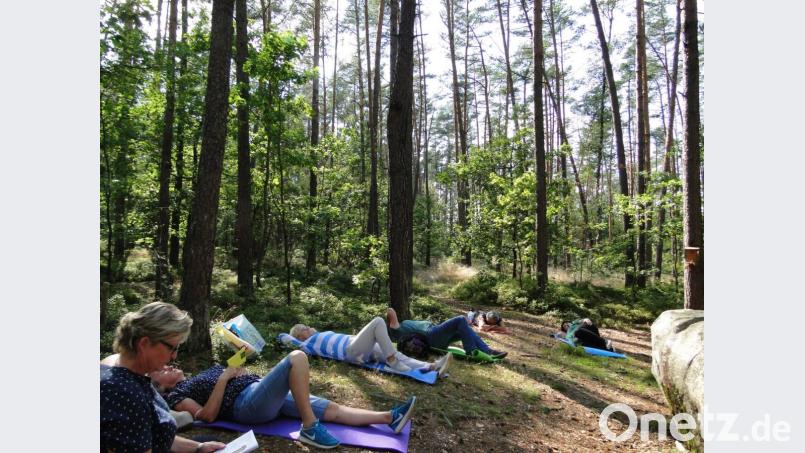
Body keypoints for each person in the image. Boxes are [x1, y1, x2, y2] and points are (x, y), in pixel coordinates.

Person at [160, 352, 417, 450]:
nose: (169, 366)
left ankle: (389, 418)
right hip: (246, 406)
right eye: (163, 369)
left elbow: (229, 376)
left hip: (258, 391)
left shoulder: (199, 374)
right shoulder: (177, 395)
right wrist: (224, 378)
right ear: (161, 385)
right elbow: (206, 415)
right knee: (297, 357)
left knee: (330, 409)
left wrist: (238, 368)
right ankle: (309, 428)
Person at [100, 302, 227, 452]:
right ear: (145, 343)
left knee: (210, 443)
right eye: (172, 347)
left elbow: (154, 435)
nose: (174, 355)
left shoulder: (116, 365)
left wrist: (199, 448)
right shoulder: (126, 394)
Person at [288, 316, 451, 377]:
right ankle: (392, 360)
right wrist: (294, 336)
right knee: (378, 321)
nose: (308, 327)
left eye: (306, 326)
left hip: (357, 347)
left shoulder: (319, 335)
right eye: (304, 328)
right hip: (350, 352)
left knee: (392, 352)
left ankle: (432, 366)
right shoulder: (307, 344)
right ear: (300, 336)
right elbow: (284, 338)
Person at [386, 308, 508, 359]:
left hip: (435, 335)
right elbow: (390, 310)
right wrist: (386, 317)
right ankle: (472, 350)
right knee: (460, 319)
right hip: (431, 336)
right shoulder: (396, 329)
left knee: (465, 327)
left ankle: (487, 350)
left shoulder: (402, 327)